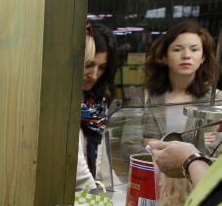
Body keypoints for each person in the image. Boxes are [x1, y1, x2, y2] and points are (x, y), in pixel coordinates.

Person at [121, 20, 220, 159]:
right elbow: (128, 147)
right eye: (177, 49)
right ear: (164, 57)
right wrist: (189, 154)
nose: (186, 55)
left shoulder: (215, 99)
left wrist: (152, 144)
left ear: (203, 57)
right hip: (153, 179)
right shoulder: (142, 96)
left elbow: (215, 151)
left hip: (198, 180)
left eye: (194, 49)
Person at [79, 24, 118, 187]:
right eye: (89, 65)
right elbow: (79, 176)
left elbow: (103, 167)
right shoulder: (57, 105)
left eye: (101, 68)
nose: (94, 75)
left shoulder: (97, 104)